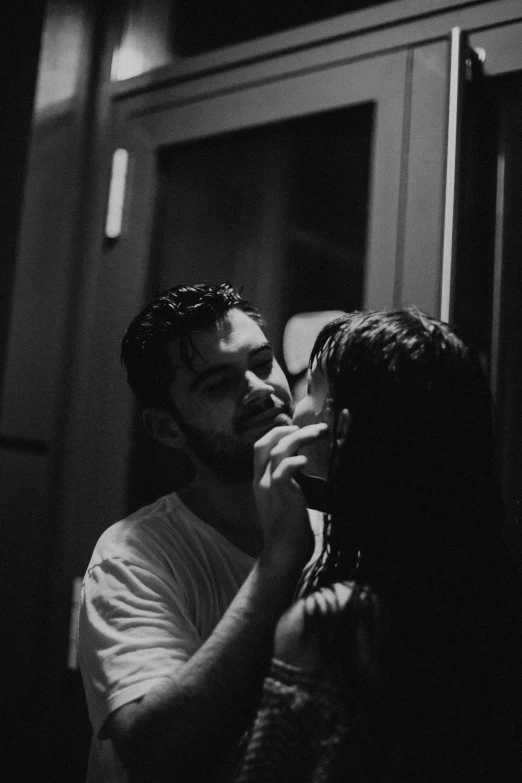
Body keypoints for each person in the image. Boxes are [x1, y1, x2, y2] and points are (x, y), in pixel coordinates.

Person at [236, 308, 522, 782]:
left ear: (341, 424)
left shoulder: (336, 629)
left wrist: (280, 553)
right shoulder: (490, 592)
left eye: (313, 386)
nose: (295, 405)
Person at [78, 283, 326, 783]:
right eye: (217, 385)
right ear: (167, 429)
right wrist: (280, 559)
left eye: (261, 362)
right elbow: (158, 755)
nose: (259, 389)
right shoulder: (130, 559)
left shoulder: (338, 527)